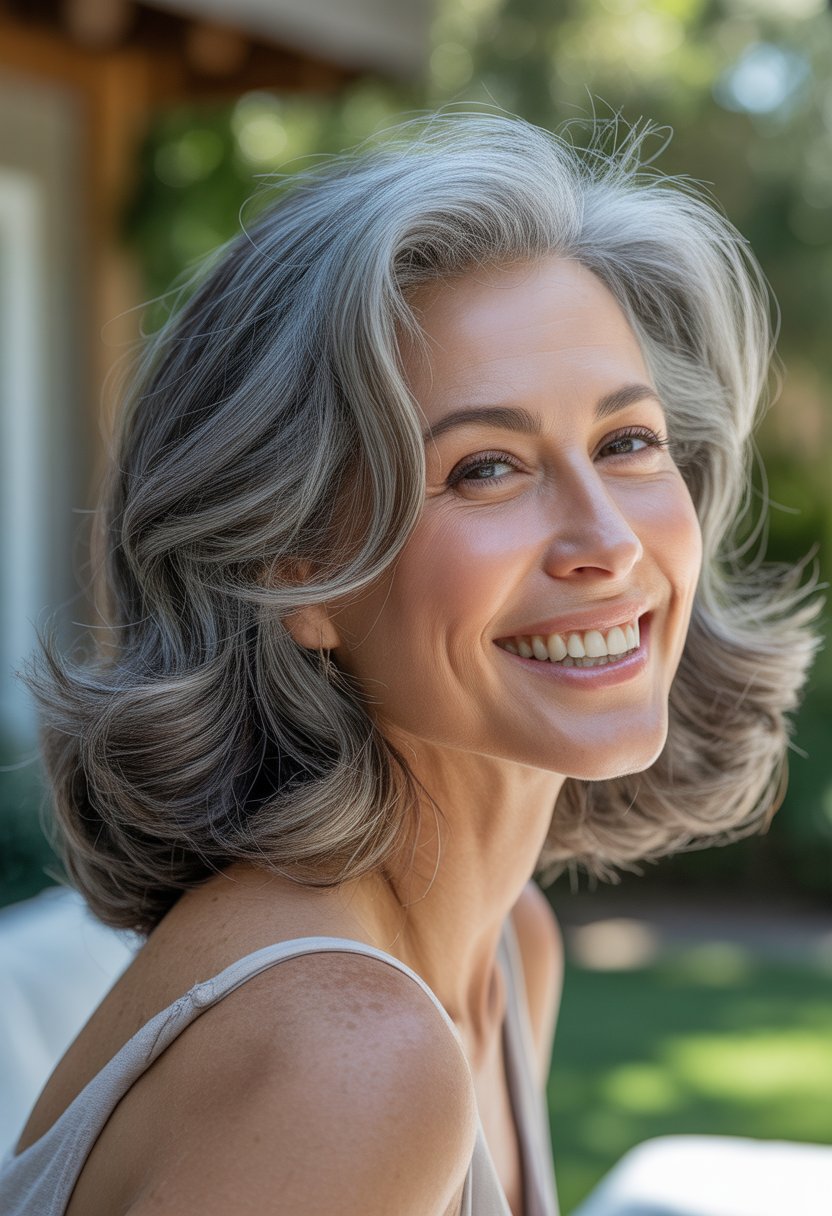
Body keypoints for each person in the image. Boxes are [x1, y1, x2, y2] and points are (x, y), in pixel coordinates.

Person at [0, 112, 821, 1216]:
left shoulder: (507, 949)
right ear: (301, 570)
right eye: (486, 467)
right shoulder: (348, 1056)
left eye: (626, 442)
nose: (609, 541)